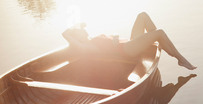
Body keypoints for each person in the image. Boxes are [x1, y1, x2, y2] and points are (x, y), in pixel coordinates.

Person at [62, 12, 196, 70]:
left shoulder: (92, 38)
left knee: (142, 16)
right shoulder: (86, 46)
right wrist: (73, 28)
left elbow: (109, 41)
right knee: (159, 32)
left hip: (127, 44)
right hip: (126, 50)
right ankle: (180, 59)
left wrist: (114, 37)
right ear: (77, 36)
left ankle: (157, 40)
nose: (83, 29)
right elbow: (65, 34)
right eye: (80, 30)